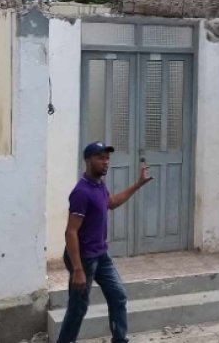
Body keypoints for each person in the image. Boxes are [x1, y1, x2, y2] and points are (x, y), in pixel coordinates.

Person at [55, 142, 153, 343]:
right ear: (88, 160)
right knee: (78, 309)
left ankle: (119, 340)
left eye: (107, 158)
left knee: (118, 296)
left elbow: (111, 203)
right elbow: (70, 232)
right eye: (100, 158)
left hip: (101, 255)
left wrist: (138, 184)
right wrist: (78, 270)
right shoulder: (81, 192)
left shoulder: (99, 185)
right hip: (83, 259)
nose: (106, 162)